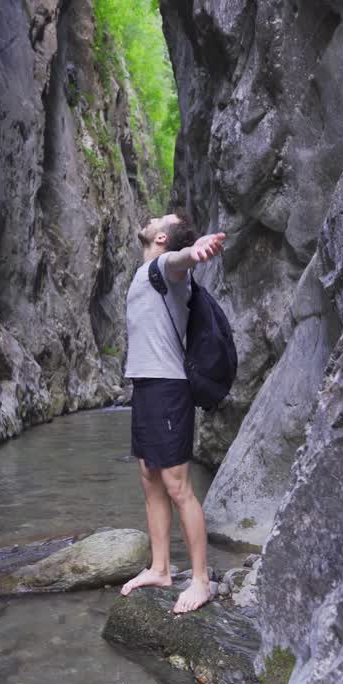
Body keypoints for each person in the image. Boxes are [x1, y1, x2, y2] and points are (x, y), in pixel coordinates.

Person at [119, 208, 226, 613]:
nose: (149, 220)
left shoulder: (167, 268)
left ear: (163, 238)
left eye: (158, 221)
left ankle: (200, 581)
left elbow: (180, 261)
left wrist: (194, 252)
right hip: (145, 386)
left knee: (178, 486)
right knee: (150, 477)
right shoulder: (145, 273)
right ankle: (160, 568)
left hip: (168, 388)